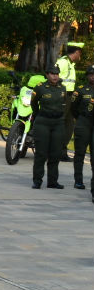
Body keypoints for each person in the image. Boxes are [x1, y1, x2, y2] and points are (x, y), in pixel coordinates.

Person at [30, 65, 68, 189]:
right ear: (47, 75)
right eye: (52, 74)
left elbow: (66, 105)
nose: (55, 76)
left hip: (58, 123)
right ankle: (37, 180)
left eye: (57, 74)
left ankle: (52, 181)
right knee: (41, 153)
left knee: (55, 153)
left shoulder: (63, 88)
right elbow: (33, 103)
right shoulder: (40, 88)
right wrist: (37, 115)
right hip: (43, 122)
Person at [57, 42, 83, 161]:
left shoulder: (70, 63)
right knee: (61, 123)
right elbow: (52, 75)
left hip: (69, 96)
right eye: (80, 53)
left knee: (69, 124)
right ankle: (56, 151)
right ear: (77, 52)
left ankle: (62, 151)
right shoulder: (63, 62)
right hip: (62, 95)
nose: (80, 56)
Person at [72, 66, 94, 197]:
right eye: (91, 74)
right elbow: (73, 108)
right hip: (84, 122)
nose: (93, 77)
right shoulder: (80, 90)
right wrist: (79, 119)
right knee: (80, 152)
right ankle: (78, 180)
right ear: (87, 76)